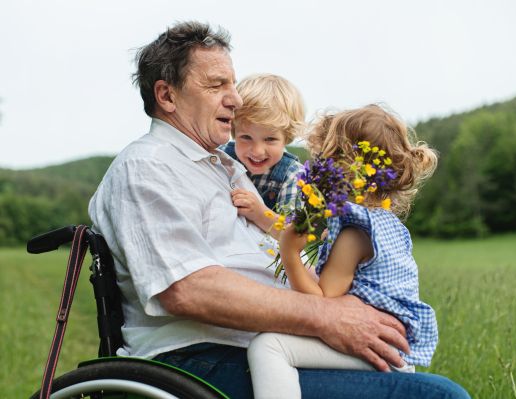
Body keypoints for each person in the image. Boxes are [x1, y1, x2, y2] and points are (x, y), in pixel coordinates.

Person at [88, 20, 470, 399]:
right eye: (217, 84)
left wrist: (341, 304)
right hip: (199, 360)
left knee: (427, 387)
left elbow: (280, 253)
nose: (235, 99)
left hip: (267, 348)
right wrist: (328, 316)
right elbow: (187, 289)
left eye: (232, 84)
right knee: (439, 397)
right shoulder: (148, 166)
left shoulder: (227, 170)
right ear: (167, 97)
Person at [247, 104, 439, 399]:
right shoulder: (385, 223)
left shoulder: (353, 234)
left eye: (323, 159)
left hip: (377, 350)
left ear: (343, 167)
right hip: (397, 347)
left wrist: (288, 255)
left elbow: (322, 305)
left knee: (268, 345)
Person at [220, 74, 306, 234]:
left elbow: (295, 234)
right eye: (246, 137)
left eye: (270, 139)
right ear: (233, 131)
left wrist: (260, 214)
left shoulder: (293, 174)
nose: (257, 151)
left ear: (286, 137)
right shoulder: (222, 156)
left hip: (269, 254)